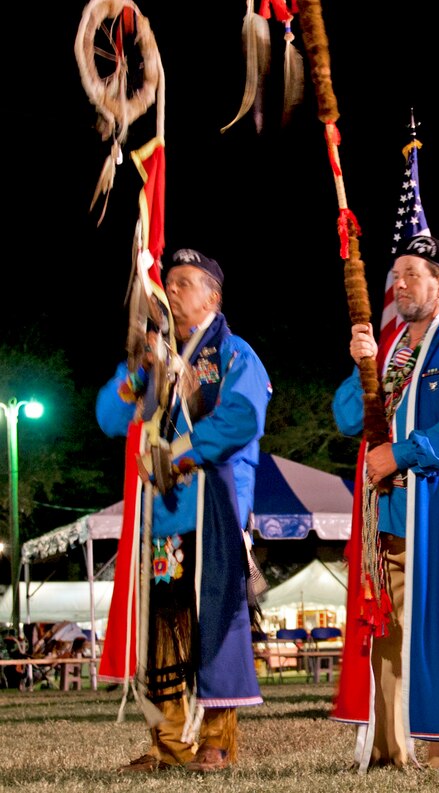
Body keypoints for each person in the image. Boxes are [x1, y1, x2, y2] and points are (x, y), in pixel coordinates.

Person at [331, 234, 439, 769]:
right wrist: (359, 362)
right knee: (390, 624)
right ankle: (391, 748)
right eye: (395, 276)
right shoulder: (393, 357)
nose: (398, 285)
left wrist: (399, 455)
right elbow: (349, 419)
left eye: (411, 274)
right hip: (392, 510)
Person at [96, 249, 271, 771]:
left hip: (215, 509)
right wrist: (138, 370)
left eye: (185, 282)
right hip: (164, 517)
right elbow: (108, 416)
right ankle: (169, 745)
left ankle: (216, 742)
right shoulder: (157, 359)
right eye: (168, 281)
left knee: (214, 624)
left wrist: (177, 454)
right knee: (163, 630)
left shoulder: (236, 354)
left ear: (213, 297)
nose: (172, 289)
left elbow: (242, 419)